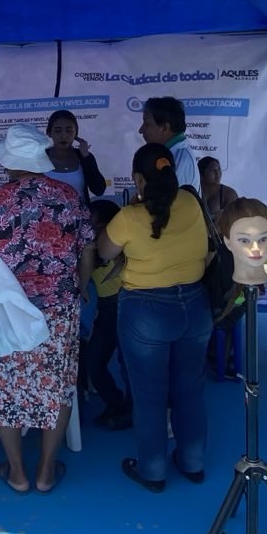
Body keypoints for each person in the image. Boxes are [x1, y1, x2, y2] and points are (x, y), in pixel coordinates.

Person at [0, 124, 95, 495]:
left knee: (5, 386)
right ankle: (46, 471)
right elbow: (87, 248)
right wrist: (81, 286)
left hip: (5, 310)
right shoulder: (68, 196)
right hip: (58, 309)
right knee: (58, 386)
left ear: (8, 163)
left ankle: (17, 473)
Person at [98, 144, 215, 493]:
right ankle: (193, 463)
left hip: (146, 311)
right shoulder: (191, 201)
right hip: (195, 305)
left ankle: (153, 471)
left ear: (138, 179)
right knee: (190, 390)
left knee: (149, 396)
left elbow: (104, 251)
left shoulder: (129, 217)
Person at [81, 198, 131, 429]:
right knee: (95, 362)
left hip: (126, 305)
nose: (87, 226)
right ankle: (116, 403)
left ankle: (129, 410)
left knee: (127, 365)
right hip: (107, 309)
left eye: (92, 222)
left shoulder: (118, 247)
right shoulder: (91, 247)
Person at [139, 96, 200, 192]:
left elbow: (162, 199)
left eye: (147, 124)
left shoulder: (180, 161)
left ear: (165, 128)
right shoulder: (167, 155)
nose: (141, 130)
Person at [44, 109, 107, 198]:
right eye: (58, 131)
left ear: (76, 133)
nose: (64, 136)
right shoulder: (40, 157)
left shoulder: (84, 157)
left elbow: (99, 190)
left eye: (69, 131)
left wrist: (86, 157)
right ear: (49, 133)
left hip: (81, 207)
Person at [198, 156, 238, 223]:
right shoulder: (193, 190)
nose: (218, 173)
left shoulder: (229, 193)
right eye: (213, 171)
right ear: (201, 174)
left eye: (219, 169)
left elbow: (234, 222)